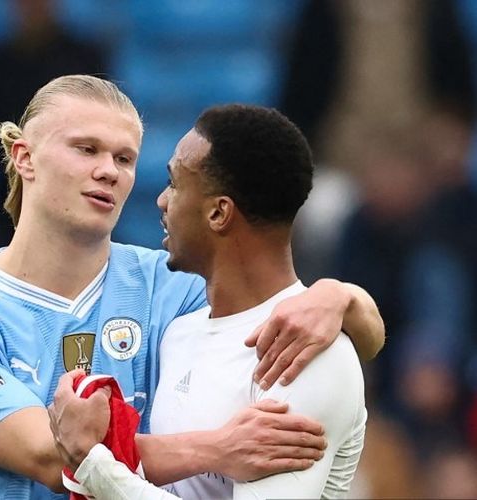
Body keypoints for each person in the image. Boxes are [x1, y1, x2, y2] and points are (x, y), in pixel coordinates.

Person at [0, 75, 384, 499]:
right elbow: (55, 459)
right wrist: (218, 449)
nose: (109, 169)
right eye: (86, 149)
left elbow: (334, 333)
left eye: (125, 157)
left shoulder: (174, 288)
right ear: (24, 157)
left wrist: (338, 297)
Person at [49, 104, 373, 499]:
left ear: (219, 213)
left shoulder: (303, 356)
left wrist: (94, 464)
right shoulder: (179, 332)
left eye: (174, 184)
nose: (161, 201)